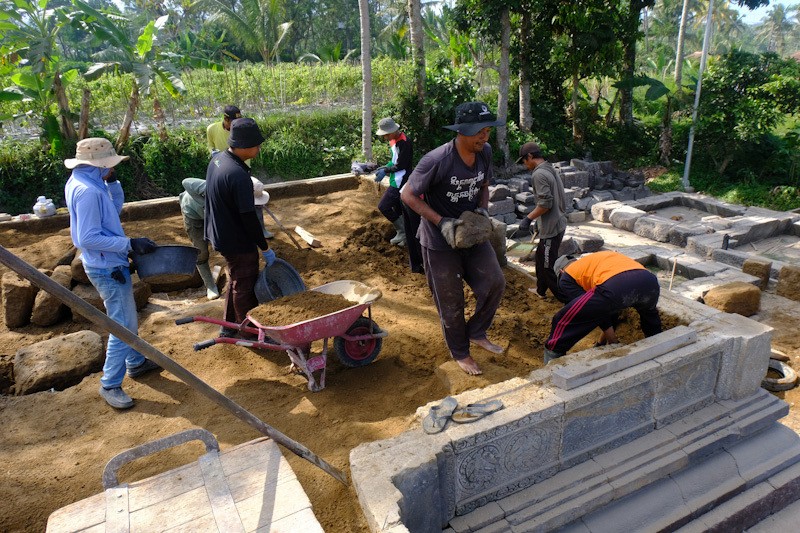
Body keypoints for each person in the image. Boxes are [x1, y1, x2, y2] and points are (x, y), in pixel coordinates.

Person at [400, 101, 506, 375]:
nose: (484, 136)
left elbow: (483, 185)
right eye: (478, 131)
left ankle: (477, 331)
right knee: (451, 301)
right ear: (461, 131)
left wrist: (482, 210)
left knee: (495, 282)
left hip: (470, 234)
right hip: (439, 242)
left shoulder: (485, 153)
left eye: (487, 130)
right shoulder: (437, 160)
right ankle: (460, 352)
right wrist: (442, 222)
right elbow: (407, 195)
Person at [64, 138, 161, 409]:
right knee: (123, 325)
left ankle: (136, 362)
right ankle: (110, 383)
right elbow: (87, 237)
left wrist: (113, 182)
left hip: (108, 260)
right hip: (106, 266)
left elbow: (111, 213)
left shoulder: (86, 182)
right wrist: (128, 244)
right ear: (100, 164)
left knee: (124, 317)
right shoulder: (88, 192)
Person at [204, 117, 276, 335]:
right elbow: (248, 217)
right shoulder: (238, 175)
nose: (259, 147)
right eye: (257, 144)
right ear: (244, 146)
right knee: (244, 284)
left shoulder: (217, 161)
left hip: (220, 232)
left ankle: (229, 326)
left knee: (235, 280)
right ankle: (251, 331)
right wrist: (264, 247)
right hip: (236, 240)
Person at [543, 251, 662, 363]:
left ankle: (552, 356)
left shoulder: (567, 277)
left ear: (561, 272)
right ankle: (659, 346)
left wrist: (613, 341)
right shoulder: (593, 262)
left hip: (617, 284)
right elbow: (608, 309)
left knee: (561, 320)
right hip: (649, 281)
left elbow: (595, 312)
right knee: (650, 316)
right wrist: (601, 343)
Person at [207, 105, 274, 239]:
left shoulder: (240, 129)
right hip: (227, 168)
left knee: (255, 194)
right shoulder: (212, 129)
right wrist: (213, 153)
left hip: (243, 168)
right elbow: (210, 146)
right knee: (241, 203)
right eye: (232, 121)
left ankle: (261, 227)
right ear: (225, 119)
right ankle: (247, 230)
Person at [516, 142, 568, 302]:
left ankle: (567, 300)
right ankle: (540, 290)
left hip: (552, 228)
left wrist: (528, 218)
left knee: (548, 267)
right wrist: (538, 223)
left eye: (524, 161)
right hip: (556, 222)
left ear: (530, 156)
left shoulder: (538, 174)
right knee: (540, 259)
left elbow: (546, 204)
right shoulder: (548, 167)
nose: (525, 165)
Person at [374, 117, 413, 247]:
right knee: (398, 209)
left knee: (383, 206)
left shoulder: (405, 143)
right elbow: (394, 160)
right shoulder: (393, 140)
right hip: (395, 178)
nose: (385, 137)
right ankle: (406, 236)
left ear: (393, 131)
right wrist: (385, 166)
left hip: (401, 180)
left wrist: (386, 170)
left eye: (386, 135)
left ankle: (402, 231)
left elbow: (401, 165)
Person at [179, 178, 220, 300]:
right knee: (201, 252)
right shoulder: (214, 189)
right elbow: (185, 182)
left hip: (210, 215)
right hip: (192, 214)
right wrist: (203, 201)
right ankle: (210, 286)